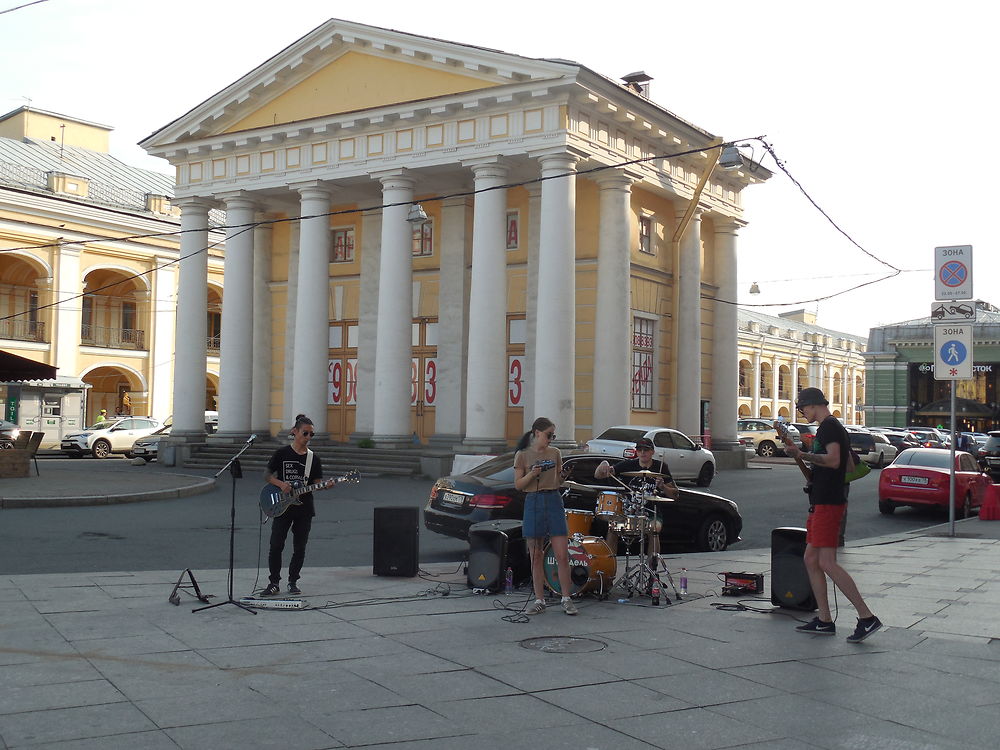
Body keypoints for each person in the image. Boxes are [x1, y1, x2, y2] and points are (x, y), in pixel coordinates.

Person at [785, 388, 882, 642]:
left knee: (827, 562)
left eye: (802, 407)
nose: (802, 412)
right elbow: (848, 465)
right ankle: (825, 620)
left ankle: (867, 617)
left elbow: (835, 460)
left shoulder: (829, 427)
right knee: (810, 558)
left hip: (828, 502)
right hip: (823, 500)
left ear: (813, 405)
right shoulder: (831, 428)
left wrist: (802, 454)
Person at [514, 417, 577, 615]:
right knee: (536, 554)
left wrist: (564, 475)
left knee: (561, 553)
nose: (551, 439)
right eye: (548, 435)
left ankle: (566, 598)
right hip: (533, 500)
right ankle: (539, 599)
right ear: (536, 433)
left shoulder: (555, 453)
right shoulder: (522, 455)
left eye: (553, 436)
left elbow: (557, 481)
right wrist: (533, 474)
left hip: (553, 499)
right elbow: (518, 485)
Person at [261, 414, 324, 596]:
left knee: (300, 546)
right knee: (276, 545)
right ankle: (274, 582)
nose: (308, 438)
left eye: (312, 434)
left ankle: (293, 581)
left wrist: (325, 485)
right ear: (295, 432)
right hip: (281, 506)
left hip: (304, 509)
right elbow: (266, 475)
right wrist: (281, 484)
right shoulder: (282, 454)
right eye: (306, 433)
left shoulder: (314, 459)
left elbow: (317, 482)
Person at [594, 437, 679, 569]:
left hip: (651, 513)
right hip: (629, 513)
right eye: (639, 450)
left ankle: (652, 570)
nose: (642, 452)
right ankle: (608, 570)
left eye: (646, 450)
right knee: (612, 528)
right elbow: (599, 475)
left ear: (652, 452)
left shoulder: (661, 467)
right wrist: (603, 465)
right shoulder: (628, 465)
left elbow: (675, 494)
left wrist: (663, 487)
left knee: (654, 529)